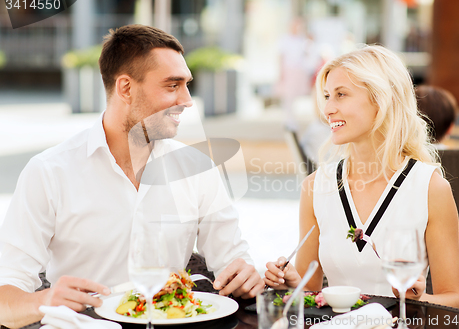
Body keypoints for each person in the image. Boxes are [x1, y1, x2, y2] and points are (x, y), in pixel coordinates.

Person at [0, 24, 263, 328]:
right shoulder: (49, 172)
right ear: (125, 88)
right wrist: (44, 300)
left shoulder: (197, 168)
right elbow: (6, 300)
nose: (187, 100)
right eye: (172, 85)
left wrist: (244, 276)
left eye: (187, 84)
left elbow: (233, 262)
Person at [264, 45, 459, 308]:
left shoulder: (430, 188)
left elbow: (454, 300)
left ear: (381, 100)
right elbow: (311, 291)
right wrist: (291, 282)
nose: (328, 109)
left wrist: (416, 299)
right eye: (326, 96)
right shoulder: (315, 187)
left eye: (341, 95)